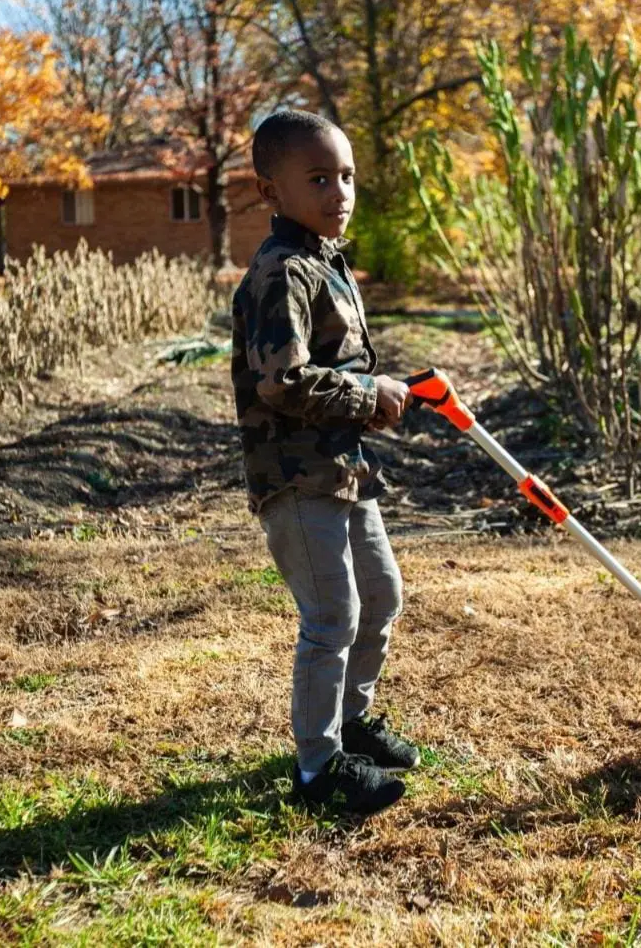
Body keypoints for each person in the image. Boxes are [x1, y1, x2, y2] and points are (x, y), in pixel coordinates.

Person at [230, 109, 417, 817]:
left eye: (346, 175)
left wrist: (378, 394)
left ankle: (351, 722)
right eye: (317, 178)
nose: (338, 191)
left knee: (382, 596)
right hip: (297, 476)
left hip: (345, 468)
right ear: (271, 190)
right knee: (331, 615)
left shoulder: (323, 263)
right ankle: (317, 769)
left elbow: (337, 368)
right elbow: (282, 380)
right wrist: (369, 392)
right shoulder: (281, 272)